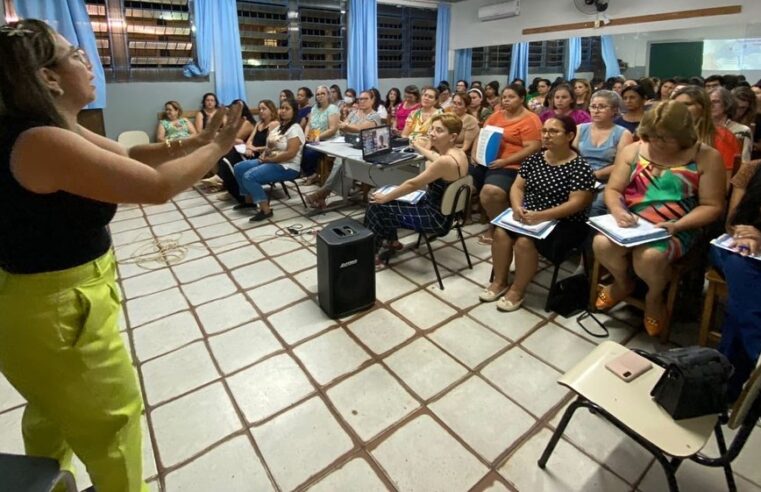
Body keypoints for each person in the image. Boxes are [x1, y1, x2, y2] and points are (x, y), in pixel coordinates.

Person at [0, 19, 243, 491]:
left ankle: (49, 482)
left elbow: (129, 157)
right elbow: (155, 187)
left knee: (51, 411)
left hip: (34, 307)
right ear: (47, 77)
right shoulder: (38, 140)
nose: (87, 61)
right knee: (114, 422)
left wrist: (194, 141)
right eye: (74, 54)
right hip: (57, 312)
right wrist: (217, 146)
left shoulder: (48, 127)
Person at [593, 100, 725, 336]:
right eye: (652, 136)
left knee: (650, 257)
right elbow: (613, 190)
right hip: (634, 222)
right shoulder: (634, 149)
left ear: (683, 135)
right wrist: (619, 211)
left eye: (665, 138)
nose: (656, 143)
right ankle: (623, 283)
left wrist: (678, 225)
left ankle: (654, 297)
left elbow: (712, 206)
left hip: (679, 226)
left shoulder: (706, 157)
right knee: (601, 244)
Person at [479, 116, 595, 311]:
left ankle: (517, 289)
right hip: (528, 215)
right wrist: (517, 207)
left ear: (569, 136)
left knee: (525, 242)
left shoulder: (580, 167)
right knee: (500, 233)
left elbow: (577, 203)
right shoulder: (534, 159)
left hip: (563, 222)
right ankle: (499, 282)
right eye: (544, 131)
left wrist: (542, 215)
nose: (547, 136)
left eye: (554, 131)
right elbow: (517, 187)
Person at [364, 113, 469, 261]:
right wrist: (419, 147)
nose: (432, 133)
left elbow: (412, 184)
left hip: (434, 218)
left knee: (377, 205)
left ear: (452, 136)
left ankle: (369, 256)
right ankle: (391, 242)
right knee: (388, 200)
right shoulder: (459, 154)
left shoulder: (445, 162)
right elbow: (436, 158)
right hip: (448, 215)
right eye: (432, 129)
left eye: (439, 131)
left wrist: (385, 198)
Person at [710, 161, 761, 400]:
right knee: (742, 263)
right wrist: (748, 235)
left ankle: (726, 387)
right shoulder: (752, 169)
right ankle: (756, 352)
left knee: (739, 306)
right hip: (737, 247)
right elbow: (732, 222)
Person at [474, 84, 542, 244]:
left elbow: (533, 148)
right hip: (488, 161)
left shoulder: (531, 119)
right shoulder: (496, 115)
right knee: (460, 177)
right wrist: (475, 155)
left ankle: (500, 228)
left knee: (491, 192)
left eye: (511, 97)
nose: (506, 100)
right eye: (504, 97)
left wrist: (505, 161)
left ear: (521, 99)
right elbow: (482, 135)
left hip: (513, 164)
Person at [305, 91, 382, 209]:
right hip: (350, 145)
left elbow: (360, 129)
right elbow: (344, 128)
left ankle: (323, 193)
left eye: (365, 99)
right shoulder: (354, 113)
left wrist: (346, 126)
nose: (361, 101)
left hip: (366, 149)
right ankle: (324, 194)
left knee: (342, 162)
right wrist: (345, 126)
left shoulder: (374, 115)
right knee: (339, 159)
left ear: (372, 100)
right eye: (360, 99)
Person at [233, 96, 305, 222]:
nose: (283, 111)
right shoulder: (278, 128)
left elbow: (290, 154)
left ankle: (265, 210)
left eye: (287, 108)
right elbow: (269, 146)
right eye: (281, 108)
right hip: (271, 160)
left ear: (294, 111)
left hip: (287, 166)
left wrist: (269, 160)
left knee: (250, 176)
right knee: (239, 168)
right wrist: (264, 154)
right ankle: (249, 201)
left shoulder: (295, 128)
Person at [573, 90, 633, 216]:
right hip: (578, 177)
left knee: (596, 205)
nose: (596, 111)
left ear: (614, 110)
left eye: (602, 107)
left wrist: (596, 174)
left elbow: (621, 166)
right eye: (593, 106)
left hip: (607, 181)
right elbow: (571, 157)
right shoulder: (580, 129)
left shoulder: (623, 134)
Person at [673, 85, 740, 185]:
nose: (680, 109)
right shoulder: (667, 135)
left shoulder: (722, 137)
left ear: (703, 107)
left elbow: (724, 185)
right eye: (676, 105)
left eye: (687, 104)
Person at [220, 99, 277, 204]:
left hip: (262, 155)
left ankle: (242, 196)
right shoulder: (259, 124)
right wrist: (248, 147)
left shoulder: (274, 124)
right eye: (259, 109)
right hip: (250, 151)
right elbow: (250, 140)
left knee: (228, 162)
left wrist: (254, 149)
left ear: (271, 110)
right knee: (225, 160)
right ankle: (237, 192)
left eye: (264, 109)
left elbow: (271, 146)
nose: (261, 111)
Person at [301, 85, 340, 184]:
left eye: (323, 93)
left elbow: (332, 129)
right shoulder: (314, 108)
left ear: (328, 95)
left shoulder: (332, 108)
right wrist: (306, 135)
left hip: (329, 140)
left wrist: (317, 137)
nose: (320, 96)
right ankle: (310, 173)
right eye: (318, 94)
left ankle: (312, 174)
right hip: (314, 138)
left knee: (309, 152)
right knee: (299, 147)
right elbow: (308, 125)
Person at [710, 86, 752, 163]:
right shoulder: (701, 128)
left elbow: (745, 162)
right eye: (709, 102)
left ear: (726, 103)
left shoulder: (742, 130)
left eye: (716, 102)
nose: (711, 105)